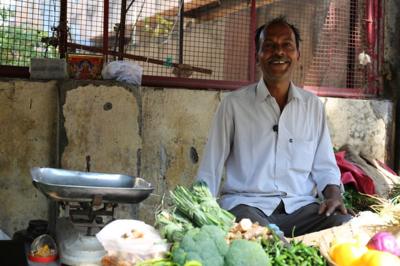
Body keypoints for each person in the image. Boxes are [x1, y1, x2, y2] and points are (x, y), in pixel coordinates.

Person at [196, 16, 352, 237]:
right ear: (257, 56)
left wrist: (334, 197)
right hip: (247, 206)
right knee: (263, 237)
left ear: (297, 54)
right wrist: (200, 210)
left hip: (301, 208)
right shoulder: (233, 105)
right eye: (269, 46)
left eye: (286, 45)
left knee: (346, 225)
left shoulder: (312, 106)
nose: (278, 52)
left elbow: (325, 167)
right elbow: (210, 168)